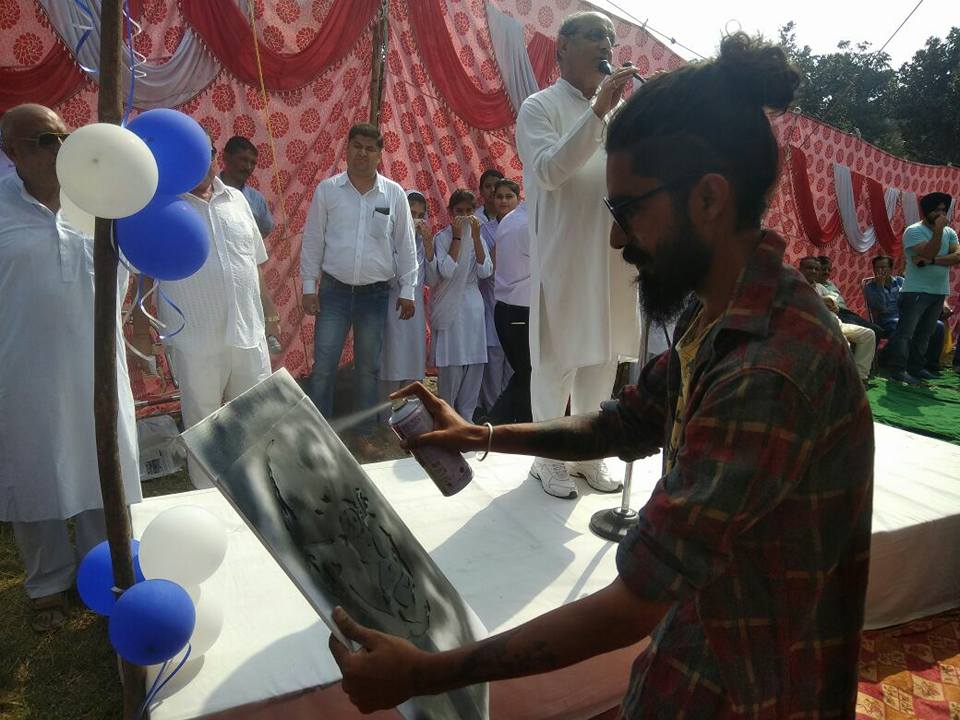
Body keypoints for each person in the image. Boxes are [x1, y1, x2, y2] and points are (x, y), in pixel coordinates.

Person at [329, 35, 874, 718]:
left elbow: (634, 602)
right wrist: (480, 434)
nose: (617, 240)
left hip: (752, 693)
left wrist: (426, 673)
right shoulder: (721, 314)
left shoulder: (768, 372)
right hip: (694, 659)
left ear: (709, 199)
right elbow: (625, 422)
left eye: (627, 212)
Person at [0, 104, 142, 631]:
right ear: (12, 152)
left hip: (97, 365)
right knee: (33, 471)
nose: (60, 149)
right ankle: (47, 585)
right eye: (45, 140)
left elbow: (133, 271)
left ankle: (100, 570)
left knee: (101, 464)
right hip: (22, 369)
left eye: (64, 137)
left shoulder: (103, 203)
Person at [516, 11, 638, 499]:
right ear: (562, 46)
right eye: (594, 35)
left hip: (610, 256)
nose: (606, 44)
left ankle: (588, 453)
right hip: (564, 255)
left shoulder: (618, 116)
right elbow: (549, 171)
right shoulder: (539, 107)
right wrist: (596, 113)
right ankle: (547, 457)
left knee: (602, 357)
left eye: (610, 37)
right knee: (557, 360)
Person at [133, 138, 281, 489]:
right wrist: (140, 334)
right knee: (203, 424)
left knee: (258, 416)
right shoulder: (162, 208)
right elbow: (144, 275)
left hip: (247, 331)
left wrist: (271, 315)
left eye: (206, 153)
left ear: (215, 156)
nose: (199, 161)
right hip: (195, 338)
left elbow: (252, 265)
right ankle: (208, 496)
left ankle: (261, 490)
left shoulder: (238, 200)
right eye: (188, 154)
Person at [301, 124, 417, 440]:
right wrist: (309, 287)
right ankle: (319, 435)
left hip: (375, 296)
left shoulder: (393, 193)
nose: (362, 153)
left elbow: (406, 244)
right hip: (333, 292)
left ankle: (366, 434)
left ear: (379, 154)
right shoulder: (328, 190)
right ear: (347, 148)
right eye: (357, 146)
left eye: (370, 148)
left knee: (368, 369)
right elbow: (313, 240)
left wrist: (408, 289)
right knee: (323, 367)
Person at [425, 189, 493, 421]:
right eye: (459, 211)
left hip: (473, 304)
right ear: (450, 212)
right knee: (452, 360)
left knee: (474, 361)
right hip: (450, 306)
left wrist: (476, 237)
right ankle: (448, 415)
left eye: (469, 211)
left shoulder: (478, 237)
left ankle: (467, 415)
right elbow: (446, 271)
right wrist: (457, 238)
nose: (464, 216)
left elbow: (485, 271)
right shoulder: (442, 238)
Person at [885, 192, 959, 384]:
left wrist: (932, 261)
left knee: (926, 334)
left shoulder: (950, 232)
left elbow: (957, 257)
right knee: (906, 334)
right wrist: (938, 232)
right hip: (916, 291)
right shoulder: (913, 231)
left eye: (944, 210)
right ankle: (898, 370)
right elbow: (928, 251)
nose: (941, 214)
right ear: (926, 211)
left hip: (939, 291)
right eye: (936, 210)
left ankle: (916, 368)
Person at [487, 182, 532, 425]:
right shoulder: (526, 225)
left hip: (509, 309)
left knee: (526, 374)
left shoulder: (512, 219)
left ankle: (497, 425)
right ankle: (495, 425)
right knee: (529, 374)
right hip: (519, 311)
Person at [476, 179, 520, 420]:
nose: (503, 201)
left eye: (508, 196)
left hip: (519, 301)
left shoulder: (525, 225)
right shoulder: (485, 230)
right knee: (494, 359)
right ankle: (494, 415)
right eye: (499, 196)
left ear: (518, 200)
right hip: (492, 300)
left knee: (514, 362)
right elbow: (487, 269)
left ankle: (511, 413)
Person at [379, 190, 429, 400]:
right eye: (411, 214)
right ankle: (384, 416)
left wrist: (427, 243)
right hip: (392, 308)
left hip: (415, 315)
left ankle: (409, 414)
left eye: (420, 215)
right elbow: (391, 277)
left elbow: (432, 279)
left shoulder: (422, 244)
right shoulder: (388, 239)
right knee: (391, 364)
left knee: (412, 365)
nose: (416, 220)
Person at [798, 257, 876, 382]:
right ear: (800, 269)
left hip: (835, 322)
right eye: (809, 268)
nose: (813, 271)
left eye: (816, 269)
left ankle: (860, 377)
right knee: (843, 342)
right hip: (816, 325)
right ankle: (838, 380)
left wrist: (833, 306)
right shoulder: (796, 285)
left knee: (868, 334)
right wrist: (819, 302)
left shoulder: (821, 287)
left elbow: (835, 307)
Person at [864, 254, 945, 370]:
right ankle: (896, 360)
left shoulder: (900, 281)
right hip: (887, 321)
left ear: (891, 269)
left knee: (938, 325)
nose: (880, 270)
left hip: (906, 315)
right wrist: (880, 286)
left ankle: (931, 363)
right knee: (901, 325)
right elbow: (881, 308)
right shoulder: (870, 287)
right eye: (877, 268)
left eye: (883, 267)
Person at [220, 135, 274, 239]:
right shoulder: (207, 191)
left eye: (253, 163)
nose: (248, 167)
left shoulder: (257, 199)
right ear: (226, 157)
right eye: (243, 160)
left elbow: (266, 229)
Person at [816, 255, 883, 334]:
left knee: (877, 329)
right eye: (824, 269)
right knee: (863, 332)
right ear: (817, 270)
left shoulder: (830, 283)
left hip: (846, 312)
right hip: (835, 314)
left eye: (829, 270)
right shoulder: (815, 286)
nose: (827, 272)